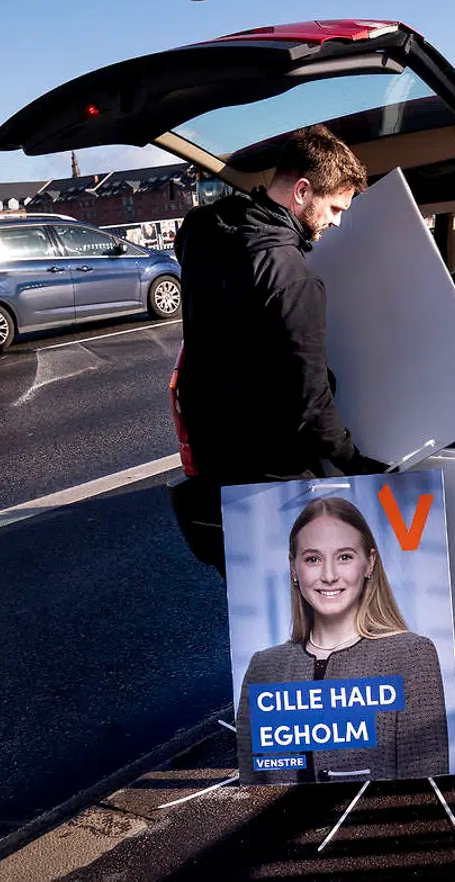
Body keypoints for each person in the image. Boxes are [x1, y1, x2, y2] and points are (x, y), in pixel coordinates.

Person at [171, 125, 386, 575]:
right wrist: (356, 461)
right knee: (294, 604)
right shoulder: (292, 280)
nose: (337, 221)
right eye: (334, 207)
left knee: (251, 592)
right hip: (273, 472)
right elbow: (310, 403)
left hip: (217, 462)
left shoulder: (204, 233)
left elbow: (196, 229)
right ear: (303, 191)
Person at [236, 496, 448, 784]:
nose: (329, 575)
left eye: (344, 557)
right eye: (313, 559)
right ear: (293, 568)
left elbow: (426, 781)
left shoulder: (410, 655)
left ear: (369, 563)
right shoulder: (264, 667)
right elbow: (253, 786)